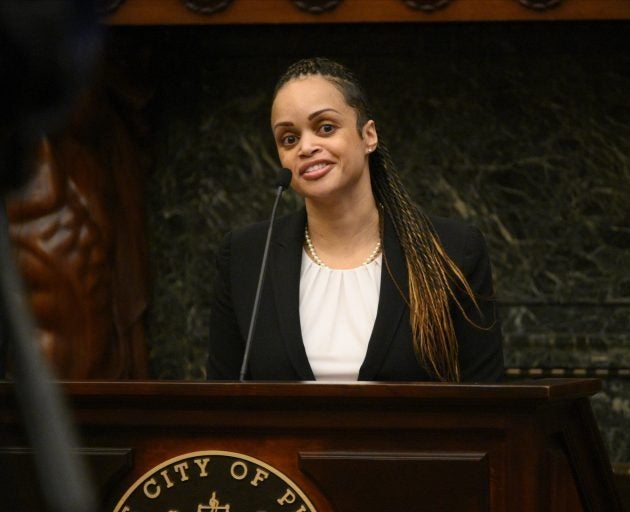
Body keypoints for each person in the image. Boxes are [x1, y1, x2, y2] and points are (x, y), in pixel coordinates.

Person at [207, 57, 504, 383]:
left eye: (325, 128)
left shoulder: (452, 248)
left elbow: (487, 399)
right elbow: (222, 399)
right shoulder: (245, 256)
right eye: (289, 139)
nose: (306, 147)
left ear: (369, 136)